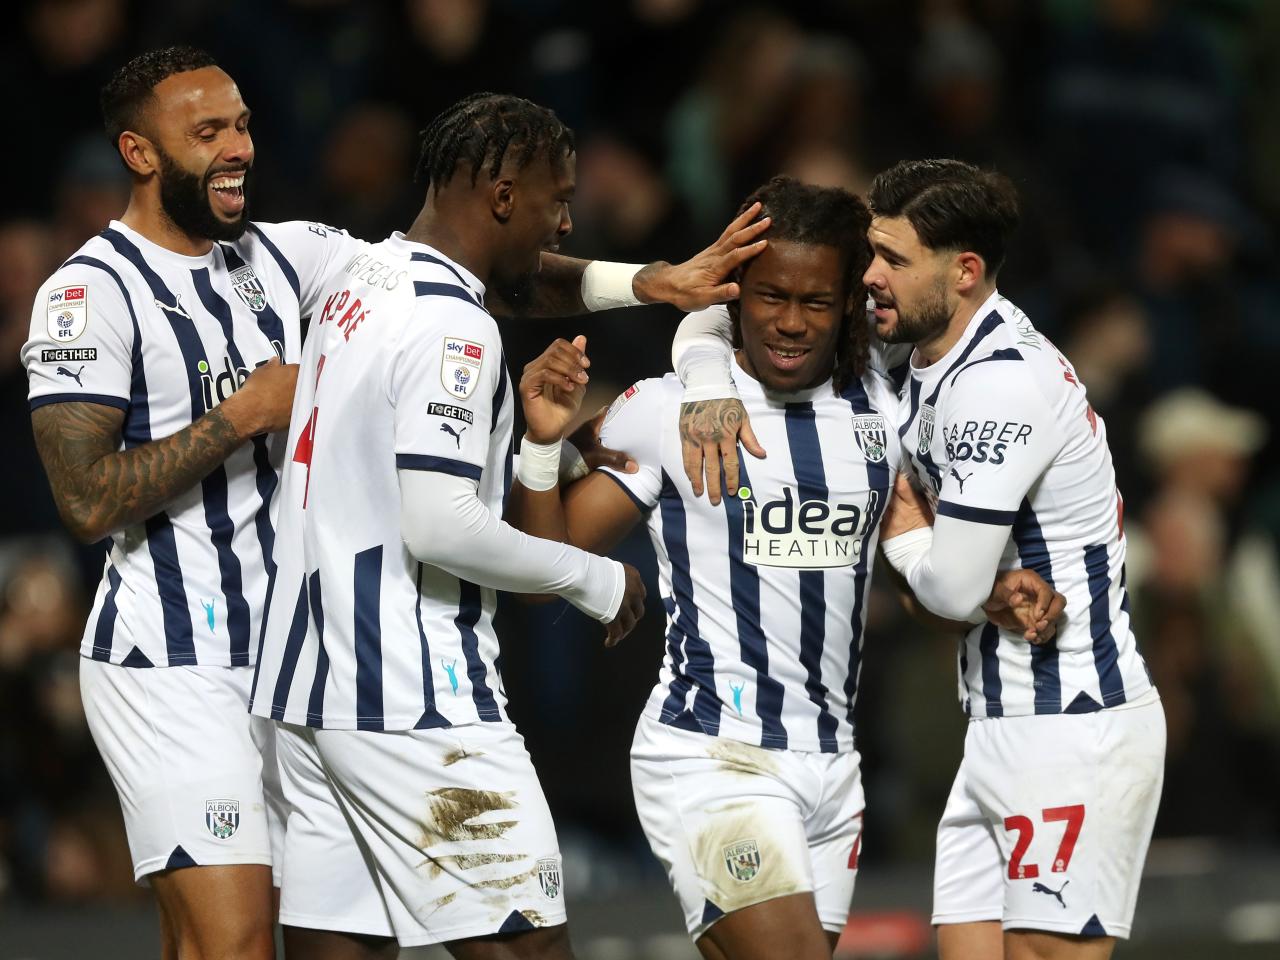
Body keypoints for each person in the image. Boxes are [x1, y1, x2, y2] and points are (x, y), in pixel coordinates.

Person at [22, 47, 765, 960]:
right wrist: (235, 417)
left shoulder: (285, 257)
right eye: (207, 132)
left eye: (245, 124)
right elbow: (88, 501)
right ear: (139, 153)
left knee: (297, 937)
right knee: (235, 940)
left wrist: (647, 283)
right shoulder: (88, 294)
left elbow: (471, 267)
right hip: (172, 655)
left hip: (297, 655)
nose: (239, 149)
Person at [247, 91, 770, 960]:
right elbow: (441, 527)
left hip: (305, 690)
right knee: (528, 951)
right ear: (501, 196)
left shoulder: (355, 278)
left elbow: (395, 460)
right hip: (414, 696)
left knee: (334, 948)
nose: (563, 224)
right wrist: (599, 578)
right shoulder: (458, 328)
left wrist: (646, 289)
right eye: (554, 201)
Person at [505, 176, 1062, 960]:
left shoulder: (884, 409)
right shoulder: (673, 411)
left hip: (834, 771)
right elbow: (540, 569)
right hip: (711, 754)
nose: (791, 323)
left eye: (815, 302)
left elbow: (918, 586)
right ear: (737, 298)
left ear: (848, 305)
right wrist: (540, 446)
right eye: (770, 297)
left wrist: (989, 595)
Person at [671, 160, 1165, 960]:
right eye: (872, 253)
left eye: (893, 260)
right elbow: (709, 319)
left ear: (963, 271)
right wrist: (699, 383)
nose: (869, 277)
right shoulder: (916, 356)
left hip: (1072, 727)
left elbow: (947, 585)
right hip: (996, 728)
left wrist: (904, 526)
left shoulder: (1001, 386)